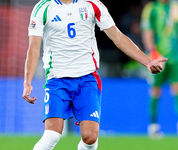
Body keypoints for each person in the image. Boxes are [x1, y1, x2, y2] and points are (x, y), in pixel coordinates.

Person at [23, 0, 167, 149]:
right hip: (57, 79)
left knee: (90, 137)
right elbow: (33, 48)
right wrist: (27, 81)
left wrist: (147, 62)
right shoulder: (43, 8)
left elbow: (118, 37)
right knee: (52, 135)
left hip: (87, 79)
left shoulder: (92, 4)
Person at [141, 0, 178, 138]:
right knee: (155, 90)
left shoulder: (175, 6)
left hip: (176, 56)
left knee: (177, 89)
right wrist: (152, 51)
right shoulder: (151, 9)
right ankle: (153, 126)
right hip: (157, 56)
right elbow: (147, 32)